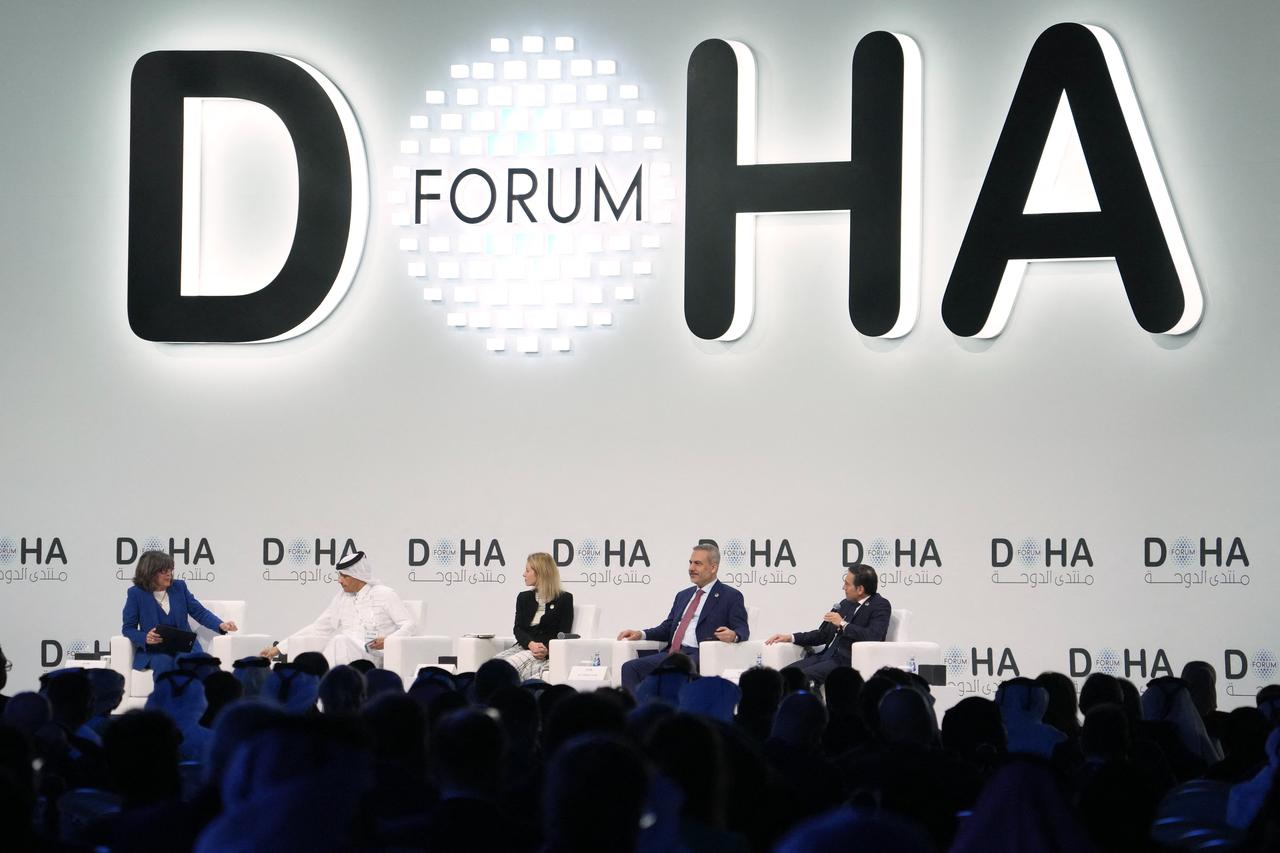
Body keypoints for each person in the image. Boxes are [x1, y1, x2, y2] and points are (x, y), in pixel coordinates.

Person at [617, 544, 749, 693]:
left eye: (698, 563)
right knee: (630, 668)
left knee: (675, 669)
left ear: (713, 568)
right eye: (690, 562)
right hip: (672, 653)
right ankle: (635, 714)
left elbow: (742, 629)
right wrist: (641, 634)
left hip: (698, 654)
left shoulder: (730, 596)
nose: (691, 568)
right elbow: (667, 628)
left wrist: (733, 635)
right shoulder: (683, 595)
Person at [262, 551, 415, 667]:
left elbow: (409, 625)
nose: (339, 580)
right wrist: (278, 649)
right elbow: (318, 628)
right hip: (344, 651)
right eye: (339, 575)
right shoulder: (341, 598)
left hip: (373, 654)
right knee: (336, 643)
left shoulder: (384, 593)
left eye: (344, 576)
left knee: (339, 641)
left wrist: (389, 641)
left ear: (358, 576)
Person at [764, 564, 891, 688]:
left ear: (860, 589)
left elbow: (874, 636)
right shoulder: (846, 604)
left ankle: (814, 707)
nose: (843, 587)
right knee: (785, 674)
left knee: (802, 678)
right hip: (825, 656)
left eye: (847, 584)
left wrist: (843, 624)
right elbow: (822, 635)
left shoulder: (880, 605)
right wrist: (791, 637)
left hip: (845, 662)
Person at [122, 550, 237, 677]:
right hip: (156, 650)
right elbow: (128, 629)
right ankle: (165, 695)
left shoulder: (179, 587)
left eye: (170, 570)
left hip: (185, 647)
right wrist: (145, 638)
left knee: (189, 662)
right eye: (164, 571)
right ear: (149, 572)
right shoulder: (136, 594)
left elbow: (200, 612)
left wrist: (221, 625)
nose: (169, 574)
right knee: (163, 662)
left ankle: (194, 695)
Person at [493, 552, 574, 681]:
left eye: (527, 570)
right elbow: (518, 629)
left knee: (506, 669)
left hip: (544, 652)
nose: (524, 574)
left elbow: (563, 633)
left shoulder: (564, 599)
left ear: (540, 572)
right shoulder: (523, 597)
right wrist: (530, 644)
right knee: (491, 666)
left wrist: (546, 649)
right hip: (524, 646)